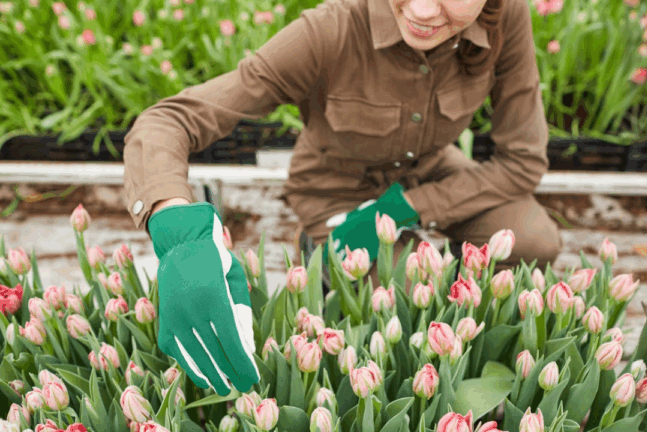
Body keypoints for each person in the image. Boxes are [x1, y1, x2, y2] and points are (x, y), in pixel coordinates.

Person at [122, 0, 563, 396]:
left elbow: (522, 161)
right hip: (335, 191)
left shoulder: (504, 15)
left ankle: (433, 272)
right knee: (408, 306)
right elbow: (171, 120)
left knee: (533, 240)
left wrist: (404, 209)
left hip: (427, 171)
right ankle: (321, 249)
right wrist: (177, 229)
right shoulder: (329, 29)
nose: (424, 11)